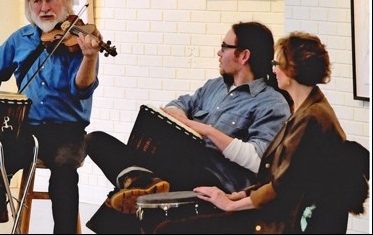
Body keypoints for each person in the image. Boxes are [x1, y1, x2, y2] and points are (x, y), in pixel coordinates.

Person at [154, 32, 369, 234]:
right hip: (275, 210)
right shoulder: (308, 108)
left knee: (168, 230)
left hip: (279, 221)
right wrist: (236, 196)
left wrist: (230, 204)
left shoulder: (311, 118)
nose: (273, 69)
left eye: (278, 64)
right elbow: (276, 175)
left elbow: (282, 187)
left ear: (292, 70)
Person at [85, 22, 291, 232]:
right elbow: (177, 105)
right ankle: (143, 183)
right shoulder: (214, 87)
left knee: (161, 168)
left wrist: (207, 131)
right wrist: (182, 119)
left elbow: (260, 160)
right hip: (177, 165)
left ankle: (140, 184)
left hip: (214, 179)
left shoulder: (271, 103)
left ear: (243, 56)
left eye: (224, 46)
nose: (219, 53)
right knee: (95, 140)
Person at [0, 0, 103, 234]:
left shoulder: (81, 40)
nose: (44, 7)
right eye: (36, 1)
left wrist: (90, 58)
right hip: (23, 128)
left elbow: (82, 89)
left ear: (65, 0)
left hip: (67, 131)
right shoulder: (20, 39)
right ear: (29, 5)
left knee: (64, 171)